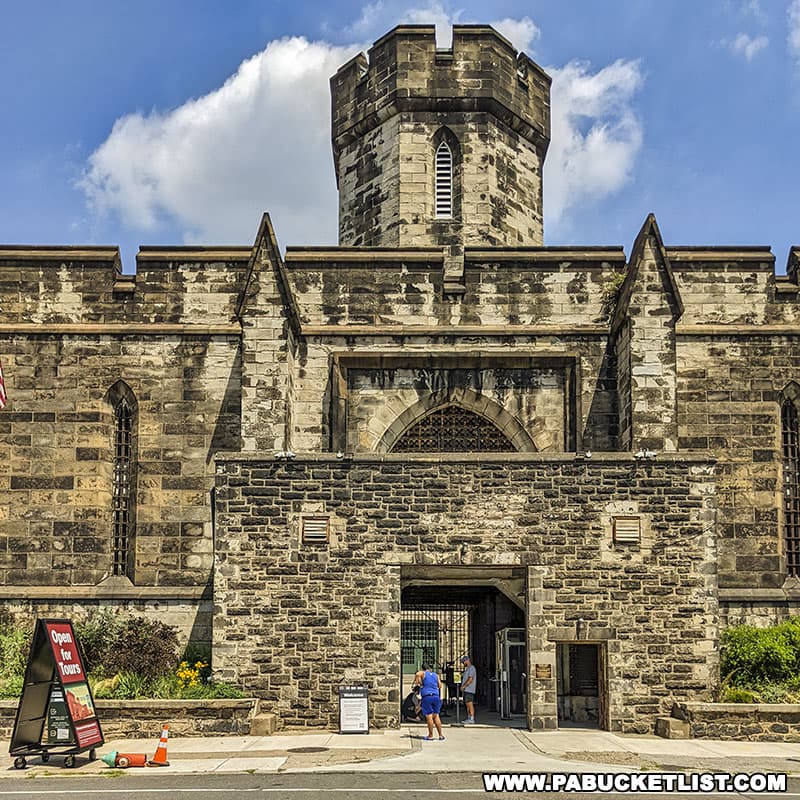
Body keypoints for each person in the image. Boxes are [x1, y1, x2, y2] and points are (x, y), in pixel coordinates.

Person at [414, 663, 445, 740]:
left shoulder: (423, 673)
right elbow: (440, 685)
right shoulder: (436, 675)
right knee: (436, 716)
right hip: (436, 696)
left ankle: (430, 735)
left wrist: (419, 682)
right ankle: (440, 735)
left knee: (429, 716)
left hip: (427, 697)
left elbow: (418, 674)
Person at [460, 655, 477, 724]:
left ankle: (472, 718)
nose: (463, 664)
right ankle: (469, 717)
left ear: (467, 661)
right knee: (467, 704)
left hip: (469, 689)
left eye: (463, 662)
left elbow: (470, 679)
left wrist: (464, 686)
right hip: (466, 690)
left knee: (470, 703)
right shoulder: (467, 669)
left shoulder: (471, 668)